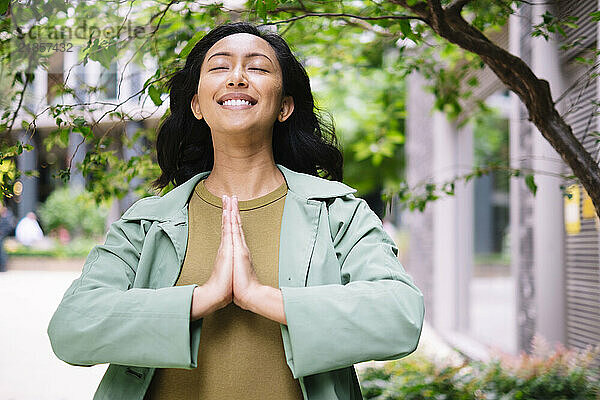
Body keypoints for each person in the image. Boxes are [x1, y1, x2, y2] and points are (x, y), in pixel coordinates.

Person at [47, 22, 425, 400]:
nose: (238, 78)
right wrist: (203, 298)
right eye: (219, 67)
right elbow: (72, 327)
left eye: (258, 68)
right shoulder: (147, 222)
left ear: (285, 106)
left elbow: (400, 317)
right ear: (197, 104)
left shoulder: (339, 213)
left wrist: (260, 297)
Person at [0, 203, 16, 272]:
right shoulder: (4, 215)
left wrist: (2, 232)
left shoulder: (7, 215)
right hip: (2, 234)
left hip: (3, 235)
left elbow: (9, 226)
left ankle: (3, 267)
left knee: (1, 251)